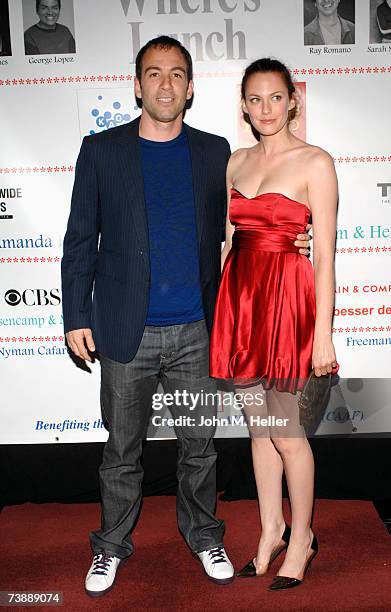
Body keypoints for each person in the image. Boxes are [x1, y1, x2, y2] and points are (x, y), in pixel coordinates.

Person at [61, 37, 310, 597]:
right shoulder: (101, 152)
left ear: (191, 87)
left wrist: (298, 239)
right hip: (127, 331)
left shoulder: (214, 152)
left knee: (199, 448)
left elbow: (246, 222)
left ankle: (204, 535)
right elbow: (80, 242)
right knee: (121, 451)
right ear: (137, 84)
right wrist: (77, 313)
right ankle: (110, 547)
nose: (166, 85)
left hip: (199, 330)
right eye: (154, 74)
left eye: (177, 75)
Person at [210, 58, 338, 590]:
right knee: (258, 431)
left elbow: (326, 256)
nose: (265, 108)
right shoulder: (234, 163)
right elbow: (227, 243)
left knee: (288, 434)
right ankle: (270, 531)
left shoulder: (316, 162)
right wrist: (225, 312)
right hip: (241, 303)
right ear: (244, 105)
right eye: (255, 99)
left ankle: (302, 537)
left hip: (288, 304)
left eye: (275, 98)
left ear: (293, 101)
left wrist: (322, 333)